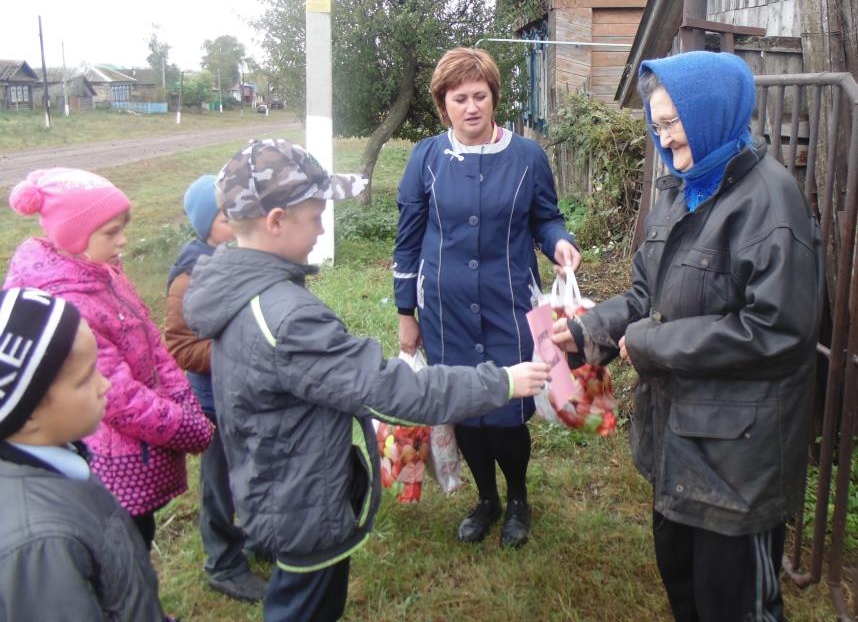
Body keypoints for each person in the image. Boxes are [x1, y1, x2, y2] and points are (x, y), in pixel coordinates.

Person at [182, 138, 552, 622]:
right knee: (304, 606)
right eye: (315, 216)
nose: (320, 228)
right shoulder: (288, 318)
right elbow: (390, 389)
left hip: (273, 484)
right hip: (305, 504)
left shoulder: (238, 294)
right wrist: (501, 382)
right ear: (275, 222)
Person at [551, 51, 822, 622]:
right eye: (657, 122)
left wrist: (651, 345)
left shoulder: (772, 205)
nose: (663, 137)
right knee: (686, 592)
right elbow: (647, 296)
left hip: (736, 464)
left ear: (710, 113)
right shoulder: (681, 189)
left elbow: (777, 333)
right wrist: (586, 331)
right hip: (678, 445)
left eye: (673, 122)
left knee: (737, 607)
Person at [393, 46, 581, 548]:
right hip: (445, 313)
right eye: (460, 98)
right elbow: (407, 241)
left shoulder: (526, 157)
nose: (471, 107)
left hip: (509, 307)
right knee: (466, 411)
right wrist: (405, 313)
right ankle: (485, 498)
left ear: (494, 98)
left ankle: (517, 496)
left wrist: (559, 241)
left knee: (506, 411)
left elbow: (546, 217)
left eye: (480, 96)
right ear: (443, 104)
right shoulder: (426, 159)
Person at [5, 167, 214, 551]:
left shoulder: (103, 272)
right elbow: (117, 397)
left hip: (142, 439)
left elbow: (150, 337)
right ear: (73, 235)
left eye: (122, 228)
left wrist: (182, 397)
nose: (123, 241)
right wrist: (184, 425)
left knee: (139, 537)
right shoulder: (71, 304)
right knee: (123, 542)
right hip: (112, 453)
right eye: (110, 232)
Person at [0, 287, 168, 621]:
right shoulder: (40, 545)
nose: (105, 385)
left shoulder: (60, 455)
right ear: (28, 412)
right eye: (85, 377)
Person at [166, 174, 267, 603]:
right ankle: (223, 562)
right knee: (219, 483)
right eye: (229, 216)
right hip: (214, 403)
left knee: (253, 470)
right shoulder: (193, 272)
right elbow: (181, 345)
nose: (240, 222)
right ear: (205, 224)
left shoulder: (241, 259)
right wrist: (239, 353)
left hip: (249, 396)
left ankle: (255, 536)